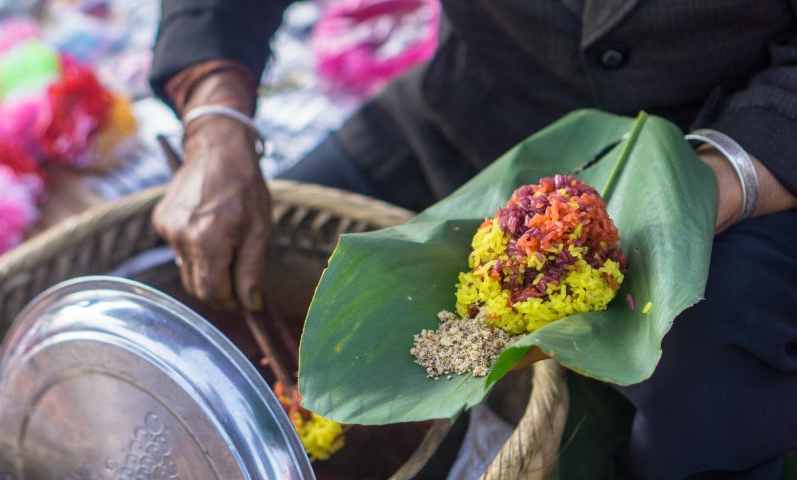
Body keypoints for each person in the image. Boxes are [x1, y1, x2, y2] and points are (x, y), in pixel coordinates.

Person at [150, 1, 797, 478]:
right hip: (479, 107)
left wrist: (691, 193)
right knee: (253, 253)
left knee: (710, 389)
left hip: (735, 151)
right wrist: (216, 121)